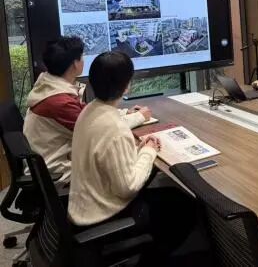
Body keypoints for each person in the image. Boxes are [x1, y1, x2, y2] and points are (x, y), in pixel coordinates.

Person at [68, 51, 203, 264]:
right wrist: (148, 151)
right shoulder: (114, 127)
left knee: (171, 194)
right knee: (186, 206)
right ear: (127, 85)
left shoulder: (89, 111)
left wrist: (139, 150)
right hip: (104, 213)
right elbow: (128, 187)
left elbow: (109, 156)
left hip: (85, 204)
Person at [23, 37, 151, 182]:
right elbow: (103, 130)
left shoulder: (49, 88)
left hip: (57, 160)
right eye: (82, 57)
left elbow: (89, 113)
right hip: (58, 171)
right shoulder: (58, 102)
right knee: (128, 161)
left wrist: (124, 112)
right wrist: (139, 117)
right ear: (75, 64)